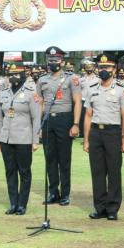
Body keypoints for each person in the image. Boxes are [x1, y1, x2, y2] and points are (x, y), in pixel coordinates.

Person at [82, 53, 124, 221]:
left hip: (113, 133)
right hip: (96, 133)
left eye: (107, 67)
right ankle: (100, 207)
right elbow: (88, 115)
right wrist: (86, 139)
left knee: (114, 172)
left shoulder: (121, 90)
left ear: (114, 69)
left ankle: (112, 208)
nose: (104, 70)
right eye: (101, 67)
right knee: (97, 172)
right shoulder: (91, 89)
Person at [37, 46, 81, 207]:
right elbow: (40, 103)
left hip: (64, 119)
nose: (53, 63)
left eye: (56, 60)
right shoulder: (42, 80)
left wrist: (75, 124)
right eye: (50, 60)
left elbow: (77, 102)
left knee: (64, 159)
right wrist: (39, 125)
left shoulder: (71, 78)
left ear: (62, 62)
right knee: (50, 158)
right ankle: (53, 192)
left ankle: (65, 194)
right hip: (48, 120)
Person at [0, 63, 41, 215]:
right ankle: (13, 203)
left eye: (17, 73)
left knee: (24, 172)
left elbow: (36, 118)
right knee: (10, 171)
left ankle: (22, 204)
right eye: (11, 74)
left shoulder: (31, 92)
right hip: (6, 139)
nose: (13, 77)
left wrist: (35, 140)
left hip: (24, 139)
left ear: (23, 75)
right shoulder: (3, 93)